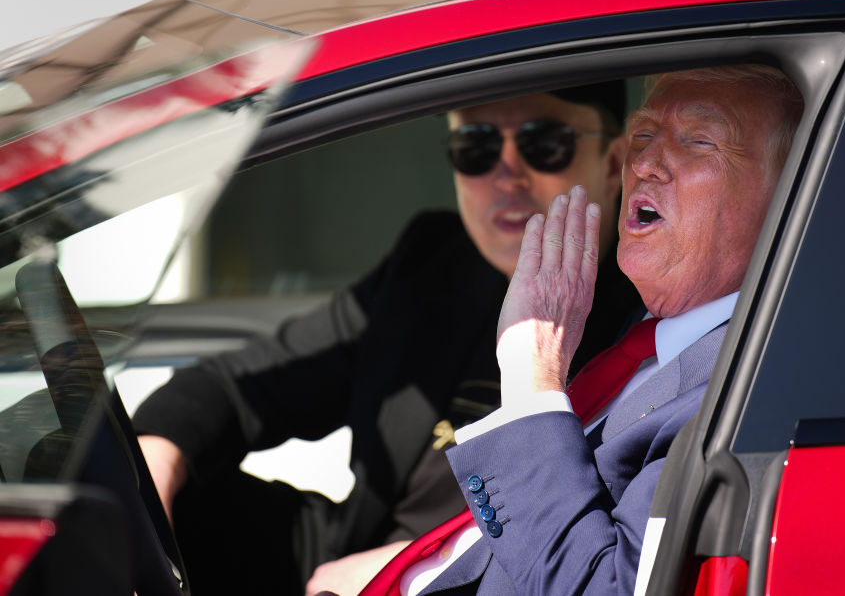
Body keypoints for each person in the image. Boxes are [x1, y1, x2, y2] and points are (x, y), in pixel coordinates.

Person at [131, 83, 642, 596]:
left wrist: (420, 562)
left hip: (482, 578)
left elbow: (598, 546)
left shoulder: (645, 312)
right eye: (476, 148)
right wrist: (146, 484)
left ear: (613, 161)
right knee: (122, 492)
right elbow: (235, 387)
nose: (507, 174)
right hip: (349, 553)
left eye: (543, 142)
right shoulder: (431, 265)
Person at [383, 64, 803, 595]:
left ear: (791, 192)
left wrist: (533, 380)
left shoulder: (743, 391)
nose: (646, 163)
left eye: (699, 141)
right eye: (643, 135)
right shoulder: (633, 333)